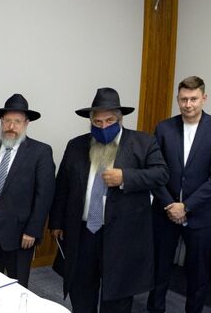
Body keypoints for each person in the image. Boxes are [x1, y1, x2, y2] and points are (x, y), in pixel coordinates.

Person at [49, 87, 169, 312]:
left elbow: (161, 174)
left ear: (120, 119)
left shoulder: (143, 142)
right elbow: (62, 186)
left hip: (122, 236)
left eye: (109, 121)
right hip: (83, 233)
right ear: (91, 121)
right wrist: (56, 222)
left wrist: (126, 177)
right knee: (81, 292)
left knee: (117, 299)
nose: (103, 127)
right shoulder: (76, 145)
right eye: (97, 122)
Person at [148, 76, 211, 313]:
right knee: (159, 268)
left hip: (200, 214)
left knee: (198, 272)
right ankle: (155, 309)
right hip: (164, 211)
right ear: (178, 99)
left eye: (193, 99)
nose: (188, 104)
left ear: (204, 98)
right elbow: (155, 172)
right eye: (183, 99)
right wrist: (171, 205)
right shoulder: (164, 128)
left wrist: (186, 206)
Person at [0, 93, 55, 288]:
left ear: (26, 123)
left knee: (16, 286)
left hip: (21, 234)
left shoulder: (40, 152)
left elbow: (44, 196)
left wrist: (33, 230)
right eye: (7, 121)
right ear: (1, 122)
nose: (11, 126)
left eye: (17, 122)